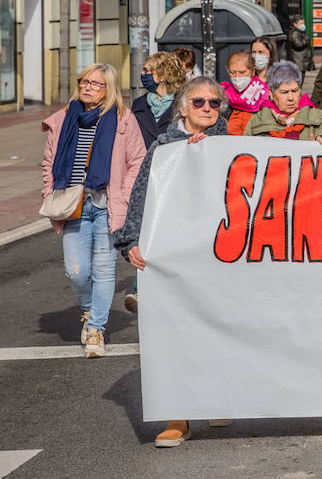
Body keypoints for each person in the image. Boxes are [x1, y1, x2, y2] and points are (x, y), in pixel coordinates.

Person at [112, 76, 229, 447]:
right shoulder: (163, 146)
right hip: (174, 256)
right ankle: (178, 417)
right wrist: (129, 240)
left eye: (214, 103)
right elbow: (142, 195)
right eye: (199, 102)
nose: (208, 108)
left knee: (220, 328)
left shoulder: (231, 144)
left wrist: (212, 151)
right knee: (173, 334)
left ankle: (219, 397)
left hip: (220, 255)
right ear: (181, 108)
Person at [40, 63, 146, 359]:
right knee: (75, 271)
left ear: (109, 88)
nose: (87, 86)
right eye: (84, 81)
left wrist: (124, 196)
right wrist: (50, 191)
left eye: (95, 83)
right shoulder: (64, 117)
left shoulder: (124, 120)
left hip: (107, 204)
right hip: (73, 204)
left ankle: (96, 328)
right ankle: (88, 310)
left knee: (103, 269)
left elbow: (138, 161)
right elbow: (49, 160)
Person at [246, 62, 322, 140]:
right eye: (284, 92)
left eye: (295, 91)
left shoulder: (317, 117)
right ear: (271, 93)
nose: (291, 98)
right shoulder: (256, 121)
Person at [132, 52, 186, 147]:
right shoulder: (139, 104)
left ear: (162, 75)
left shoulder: (183, 104)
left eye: (146, 70)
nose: (142, 74)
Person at [221, 50, 270, 134]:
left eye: (242, 72)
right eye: (232, 72)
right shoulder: (223, 92)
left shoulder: (263, 91)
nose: (237, 77)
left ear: (252, 71)